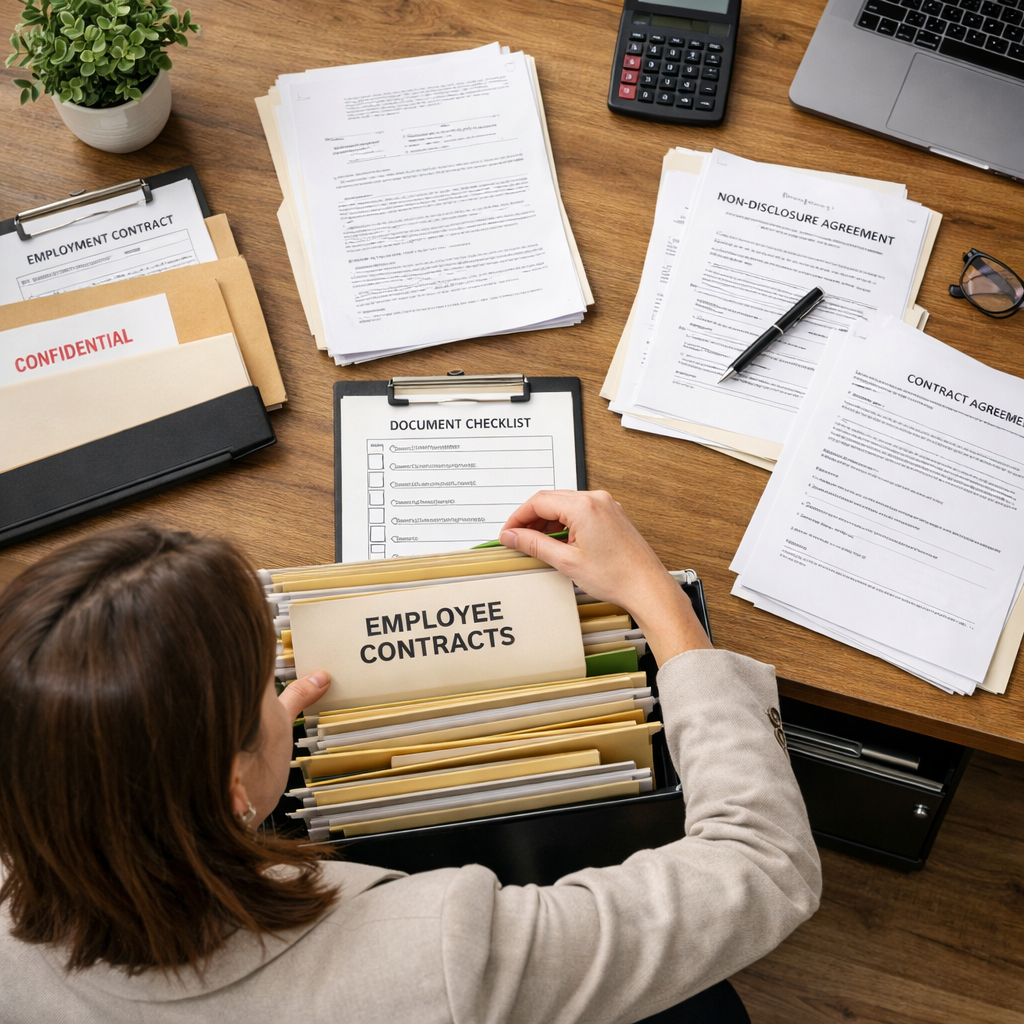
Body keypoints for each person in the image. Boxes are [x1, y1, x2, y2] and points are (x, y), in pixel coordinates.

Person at [0, 490, 821, 1024]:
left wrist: (228, 755)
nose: (283, 681)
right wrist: (657, 599)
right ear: (230, 782)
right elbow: (760, 867)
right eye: (265, 681)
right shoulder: (433, 954)